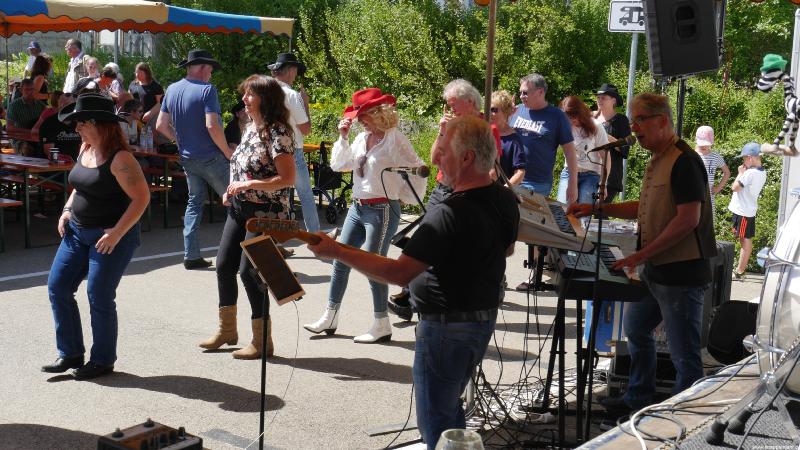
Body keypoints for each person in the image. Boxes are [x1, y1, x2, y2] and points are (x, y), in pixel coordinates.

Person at [307, 115, 518, 448]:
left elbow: (397, 273)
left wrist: (336, 250)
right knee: (449, 413)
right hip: (479, 321)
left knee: (437, 423)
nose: (434, 158)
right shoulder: (504, 198)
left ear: (466, 158)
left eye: (443, 151)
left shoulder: (449, 212)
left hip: (448, 328)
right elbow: (506, 248)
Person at [568, 93, 716, 416]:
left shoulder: (685, 160)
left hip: (681, 274)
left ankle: (681, 420)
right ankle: (639, 397)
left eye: (639, 121)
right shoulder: (657, 159)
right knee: (635, 328)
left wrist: (640, 255)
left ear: (662, 121)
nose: (633, 128)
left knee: (685, 357)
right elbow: (644, 206)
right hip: (657, 271)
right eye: (632, 120)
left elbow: (688, 218)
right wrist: (597, 208)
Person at [303, 88, 427, 343]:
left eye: (362, 115)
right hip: (357, 207)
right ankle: (330, 316)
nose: (359, 120)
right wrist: (343, 137)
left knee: (376, 267)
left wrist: (401, 191)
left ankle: (381, 323)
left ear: (377, 114)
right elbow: (340, 165)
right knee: (339, 259)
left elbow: (417, 168)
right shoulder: (361, 138)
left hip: (382, 209)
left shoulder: (395, 140)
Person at [42, 93, 149, 380]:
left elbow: (141, 199)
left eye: (81, 123)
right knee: (58, 287)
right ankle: (71, 353)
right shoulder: (85, 148)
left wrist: (116, 233)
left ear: (99, 124)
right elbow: (80, 185)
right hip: (76, 230)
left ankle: (102, 360)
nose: (75, 128)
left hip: (111, 235)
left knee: (98, 295)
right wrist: (66, 209)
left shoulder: (121, 158)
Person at [199, 75, 296, 359]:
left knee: (250, 271)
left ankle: (262, 340)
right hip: (241, 208)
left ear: (265, 99)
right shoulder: (251, 127)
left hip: (267, 213)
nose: (244, 99)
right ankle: (227, 331)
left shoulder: (278, 132)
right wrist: (232, 188)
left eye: (250, 95)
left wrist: (249, 185)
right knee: (223, 265)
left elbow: (287, 178)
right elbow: (239, 162)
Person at [156, 49, 232, 270]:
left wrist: (178, 142)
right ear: (201, 68)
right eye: (210, 70)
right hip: (211, 157)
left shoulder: (171, 89)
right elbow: (212, 125)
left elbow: (161, 125)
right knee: (235, 202)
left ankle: (191, 254)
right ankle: (241, 254)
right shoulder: (208, 90)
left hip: (188, 158)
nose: (211, 74)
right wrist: (227, 151)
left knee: (194, 203)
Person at [269, 52, 320, 234]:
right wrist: (305, 103)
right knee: (305, 194)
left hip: (268, 149)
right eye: (296, 70)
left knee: (274, 194)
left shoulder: (264, 92)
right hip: (291, 150)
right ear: (291, 70)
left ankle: (272, 237)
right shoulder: (291, 95)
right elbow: (305, 129)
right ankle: (315, 235)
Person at [509, 73, 578, 202]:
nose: (521, 96)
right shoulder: (516, 110)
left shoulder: (557, 116)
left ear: (540, 92)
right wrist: (506, 115)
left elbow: (570, 152)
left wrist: (572, 183)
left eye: (525, 93)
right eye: (520, 93)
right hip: (511, 177)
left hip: (536, 183)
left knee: (528, 220)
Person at [555, 96, 610, 205]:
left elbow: (606, 157)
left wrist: (603, 184)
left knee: (583, 214)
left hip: (591, 175)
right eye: (566, 118)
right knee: (561, 209)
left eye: (572, 118)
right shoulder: (563, 126)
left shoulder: (596, 126)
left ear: (580, 114)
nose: (570, 121)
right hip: (569, 172)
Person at [728, 142, 766, 281]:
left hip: (743, 212)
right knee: (744, 239)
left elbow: (735, 187)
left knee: (745, 240)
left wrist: (740, 173)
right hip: (746, 211)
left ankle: (740, 271)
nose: (743, 161)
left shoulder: (750, 173)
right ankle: (740, 270)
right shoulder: (762, 172)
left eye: (744, 158)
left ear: (750, 158)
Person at [593, 83, 632, 203]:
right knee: (584, 212)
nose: (600, 100)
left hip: (610, 177)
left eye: (603, 98)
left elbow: (625, 148)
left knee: (599, 212)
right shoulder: (591, 117)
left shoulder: (621, 120)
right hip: (589, 172)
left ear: (613, 101)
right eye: (598, 97)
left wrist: (605, 136)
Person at [490, 90, 526, 185]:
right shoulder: (484, 133)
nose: (489, 113)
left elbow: (520, 173)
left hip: (500, 194)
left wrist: (504, 191)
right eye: (488, 109)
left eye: (494, 110)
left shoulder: (514, 140)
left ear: (505, 112)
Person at [694, 125, 730, 212]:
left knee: (708, 221)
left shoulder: (715, 156)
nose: (703, 146)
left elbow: (727, 173)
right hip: (694, 196)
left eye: (706, 144)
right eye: (701, 143)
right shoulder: (692, 155)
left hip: (709, 197)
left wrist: (718, 188)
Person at [6, 79, 45, 156]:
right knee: (27, 149)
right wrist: (30, 131)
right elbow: (9, 128)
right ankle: (25, 167)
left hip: (38, 139)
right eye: (27, 90)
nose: (30, 92)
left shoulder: (41, 106)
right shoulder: (14, 106)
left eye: (32, 89)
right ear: (21, 90)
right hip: (19, 139)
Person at [38, 93, 81, 160]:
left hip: (75, 165)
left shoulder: (80, 123)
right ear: (59, 105)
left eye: (71, 105)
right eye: (63, 104)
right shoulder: (49, 124)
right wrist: (65, 161)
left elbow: (85, 145)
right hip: (54, 166)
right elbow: (49, 151)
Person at [128, 62, 164, 135]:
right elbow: (129, 100)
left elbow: (161, 103)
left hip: (151, 119)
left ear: (147, 73)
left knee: (151, 140)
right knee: (134, 139)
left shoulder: (155, 86)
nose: (137, 75)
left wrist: (150, 113)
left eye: (140, 73)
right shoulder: (132, 84)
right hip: (135, 119)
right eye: (136, 72)